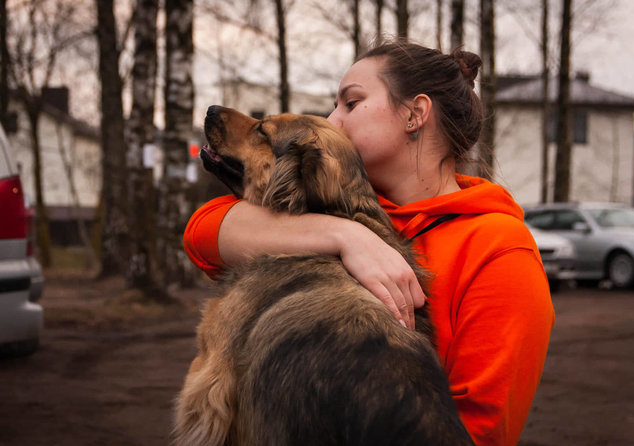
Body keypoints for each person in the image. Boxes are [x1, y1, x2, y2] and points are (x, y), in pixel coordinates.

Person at [183, 41, 555, 446]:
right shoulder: (342, 209)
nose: (331, 119)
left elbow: (481, 433)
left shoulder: (500, 250)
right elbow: (203, 232)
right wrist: (346, 236)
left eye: (350, 103)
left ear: (414, 114)